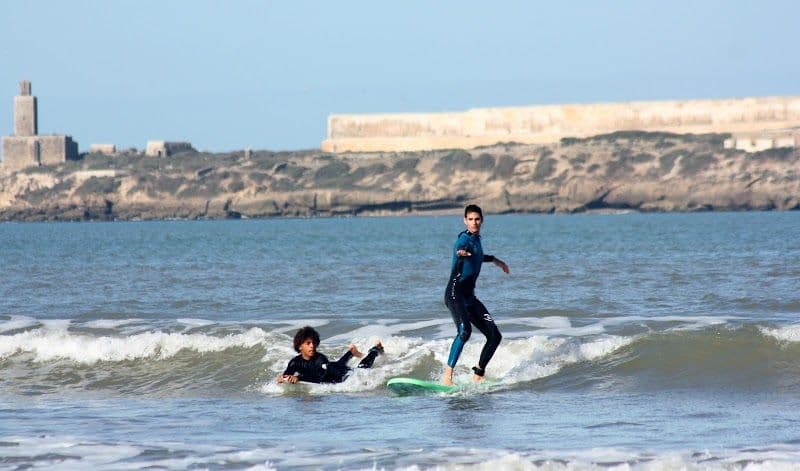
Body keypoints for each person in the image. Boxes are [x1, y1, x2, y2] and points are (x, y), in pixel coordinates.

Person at [442, 204, 510, 385]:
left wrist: (496, 260)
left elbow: (478, 255)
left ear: (482, 220)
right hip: (455, 294)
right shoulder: (462, 240)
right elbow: (461, 249)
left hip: (469, 298)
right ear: (465, 221)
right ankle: (447, 376)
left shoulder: (477, 240)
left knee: (495, 336)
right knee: (464, 331)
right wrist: (461, 253)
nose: (474, 222)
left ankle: (478, 374)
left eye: (477, 219)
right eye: (470, 219)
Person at [277, 326, 384, 384]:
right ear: (300, 346)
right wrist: (283, 378)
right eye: (308, 343)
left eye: (314, 343)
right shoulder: (295, 362)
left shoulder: (320, 358)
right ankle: (351, 352)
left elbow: (320, 378)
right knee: (339, 363)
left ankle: (375, 350)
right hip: (334, 366)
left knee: (362, 368)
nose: (312, 346)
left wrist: (299, 378)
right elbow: (287, 375)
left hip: (341, 374)